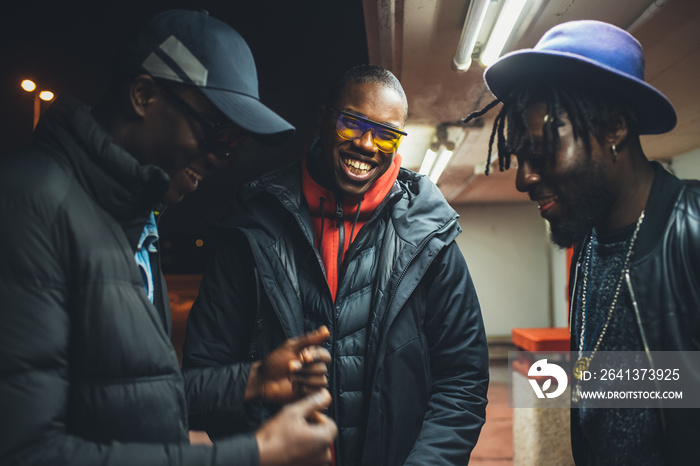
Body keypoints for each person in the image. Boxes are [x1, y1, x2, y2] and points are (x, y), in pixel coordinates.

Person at [0, 9, 337, 466]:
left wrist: (251, 380)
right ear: (143, 95)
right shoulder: (29, 204)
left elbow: (131, 392)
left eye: (234, 143)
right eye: (217, 131)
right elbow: (27, 452)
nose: (222, 157)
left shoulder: (130, 219)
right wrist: (257, 453)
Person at [183, 64, 489, 466]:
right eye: (352, 124)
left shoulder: (431, 238)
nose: (367, 144)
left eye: (386, 134)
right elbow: (208, 371)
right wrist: (265, 453)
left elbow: (462, 380)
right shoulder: (253, 226)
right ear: (324, 119)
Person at [465, 20, 699, 465]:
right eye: (519, 156)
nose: (524, 178)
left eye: (543, 150)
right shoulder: (588, 242)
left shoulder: (690, 229)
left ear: (614, 128)